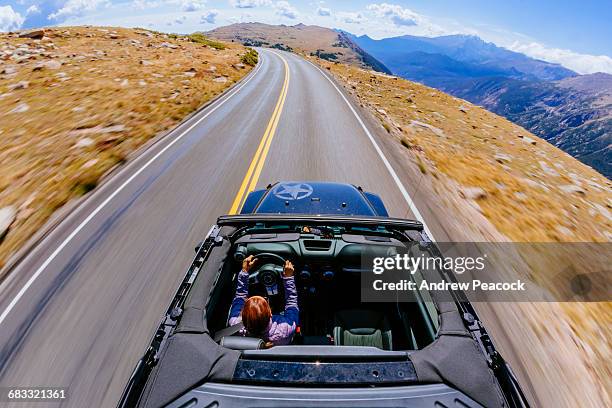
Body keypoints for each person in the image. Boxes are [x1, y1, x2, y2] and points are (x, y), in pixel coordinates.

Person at [228, 255, 299, 346]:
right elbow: (292, 304)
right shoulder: (286, 329)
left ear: (242, 314)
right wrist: (288, 278)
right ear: (270, 312)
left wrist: (244, 272)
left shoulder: (234, 325)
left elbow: (240, 297)